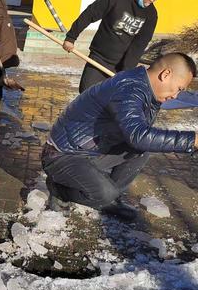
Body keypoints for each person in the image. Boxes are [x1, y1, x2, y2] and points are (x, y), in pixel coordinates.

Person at [42, 53, 197, 221]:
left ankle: (108, 198)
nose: (175, 96)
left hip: (91, 150)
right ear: (165, 74)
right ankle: (60, 190)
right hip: (62, 155)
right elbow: (138, 136)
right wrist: (192, 140)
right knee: (105, 192)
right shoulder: (129, 88)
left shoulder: (145, 88)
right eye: (179, 88)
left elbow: (139, 139)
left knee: (140, 151)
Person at [63, 0, 171, 93]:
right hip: (99, 58)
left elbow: (139, 45)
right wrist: (71, 37)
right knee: (87, 95)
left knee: (109, 103)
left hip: (120, 67)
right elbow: (89, 15)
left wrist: (125, 72)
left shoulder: (151, 15)